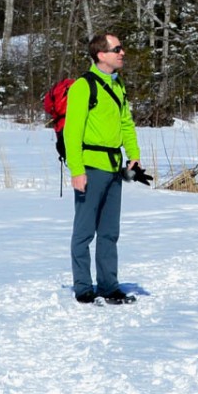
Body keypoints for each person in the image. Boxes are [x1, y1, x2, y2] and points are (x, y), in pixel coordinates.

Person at [65, 31, 143, 304]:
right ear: (101, 54)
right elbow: (72, 133)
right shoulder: (83, 87)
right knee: (84, 231)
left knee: (109, 232)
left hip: (114, 167)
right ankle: (84, 287)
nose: (123, 53)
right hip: (90, 167)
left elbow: (126, 122)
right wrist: (77, 170)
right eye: (117, 49)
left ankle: (109, 286)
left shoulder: (118, 84)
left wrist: (133, 155)